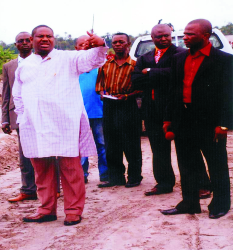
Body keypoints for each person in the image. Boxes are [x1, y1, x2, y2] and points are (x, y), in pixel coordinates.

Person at [13, 25, 107, 226]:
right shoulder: (26, 64)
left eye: (49, 36)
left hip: (65, 122)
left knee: (71, 169)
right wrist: (23, 116)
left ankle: (73, 211)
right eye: (40, 36)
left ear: (54, 39)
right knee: (42, 170)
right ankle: (46, 209)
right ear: (32, 39)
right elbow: (18, 93)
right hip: (35, 124)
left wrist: (99, 45)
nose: (45, 39)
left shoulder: (68, 58)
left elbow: (95, 59)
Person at [161, 19, 233, 219]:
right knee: (187, 164)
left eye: (190, 34)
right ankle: (189, 203)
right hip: (184, 119)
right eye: (185, 33)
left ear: (205, 36)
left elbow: (229, 95)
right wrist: (168, 119)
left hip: (210, 122)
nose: (185, 37)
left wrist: (224, 124)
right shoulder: (179, 58)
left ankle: (220, 204)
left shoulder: (224, 60)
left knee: (216, 164)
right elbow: (173, 91)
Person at [132, 24, 212, 197]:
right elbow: (136, 80)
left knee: (188, 149)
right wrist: (159, 75)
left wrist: (151, 72)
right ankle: (164, 183)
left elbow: (179, 75)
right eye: (159, 36)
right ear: (152, 38)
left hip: (177, 110)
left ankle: (202, 184)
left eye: (166, 36)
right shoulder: (144, 57)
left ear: (171, 35)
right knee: (158, 150)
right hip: (152, 110)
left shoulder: (182, 54)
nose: (163, 39)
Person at [95, 33, 143, 188]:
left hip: (127, 105)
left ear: (128, 43)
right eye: (114, 42)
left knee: (131, 143)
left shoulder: (135, 65)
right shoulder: (105, 65)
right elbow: (99, 86)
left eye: (121, 42)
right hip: (110, 106)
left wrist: (127, 95)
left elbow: (141, 89)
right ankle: (116, 177)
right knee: (111, 143)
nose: (117, 45)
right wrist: (102, 94)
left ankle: (134, 176)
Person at [2, 32, 37, 202]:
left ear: (32, 42)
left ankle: (53, 188)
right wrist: (5, 119)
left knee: (49, 153)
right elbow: (6, 94)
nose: (24, 43)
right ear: (15, 45)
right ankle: (28, 190)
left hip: (41, 112)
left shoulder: (42, 61)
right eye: (20, 41)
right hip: (19, 115)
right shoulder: (9, 66)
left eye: (27, 40)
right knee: (25, 155)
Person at [74, 35, 108, 183]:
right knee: (80, 147)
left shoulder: (102, 65)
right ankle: (82, 176)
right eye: (82, 45)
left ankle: (105, 175)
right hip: (78, 114)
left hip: (99, 112)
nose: (86, 47)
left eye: (89, 45)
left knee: (102, 144)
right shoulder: (73, 67)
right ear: (76, 48)